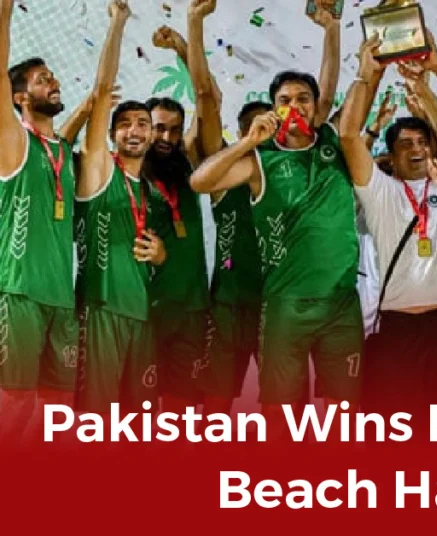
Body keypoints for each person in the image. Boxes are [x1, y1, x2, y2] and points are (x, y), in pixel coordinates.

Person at [190, 62, 360, 438]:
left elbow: (335, 92)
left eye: (303, 99)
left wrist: (334, 31)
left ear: (316, 107)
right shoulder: (259, 161)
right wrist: (249, 141)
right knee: (280, 416)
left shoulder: (335, 140)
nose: (295, 106)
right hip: (285, 304)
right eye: (285, 101)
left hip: (342, 302)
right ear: (273, 109)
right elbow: (199, 181)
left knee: (343, 417)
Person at [337, 32, 437, 417]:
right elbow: (349, 135)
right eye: (406, 144)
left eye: (423, 141)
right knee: (394, 440)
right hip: (397, 332)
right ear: (391, 153)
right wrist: (365, 75)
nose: (418, 149)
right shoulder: (380, 191)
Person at [0, 0, 98, 441]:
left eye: (53, 76)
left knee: (57, 415)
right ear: (20, 97)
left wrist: (116, 25)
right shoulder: (12, 143)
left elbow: (94, 98)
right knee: (16, 404)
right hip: (17, 294)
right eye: (43, 80)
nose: (54, 82)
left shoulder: (62, 150)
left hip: (61, 300)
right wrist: (3, 15)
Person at [75, 1, 168, 416]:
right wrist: (118, 22)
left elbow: (156, 257)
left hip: (141, 315)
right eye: (126, 123)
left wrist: (161, 255)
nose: (135, 129)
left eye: (143, 124)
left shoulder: (150, 192)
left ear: (152, 136)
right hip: (100, 310)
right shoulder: (99, 171)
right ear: (112, 134)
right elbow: (101, 92)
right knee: (96, 424)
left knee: (140, 425)